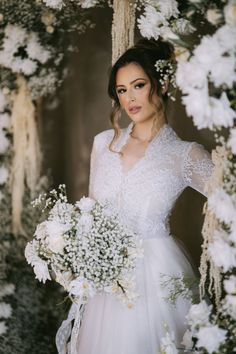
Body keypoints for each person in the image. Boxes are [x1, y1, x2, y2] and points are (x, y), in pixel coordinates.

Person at [58, 38, 214, 354]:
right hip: (104, 281)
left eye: (138, 85)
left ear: (163, 83)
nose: (129, 98)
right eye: (121, 90)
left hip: (156, 279)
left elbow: (229, 204)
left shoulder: (185, 154)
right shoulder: (103, 144)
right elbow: (90, 215)